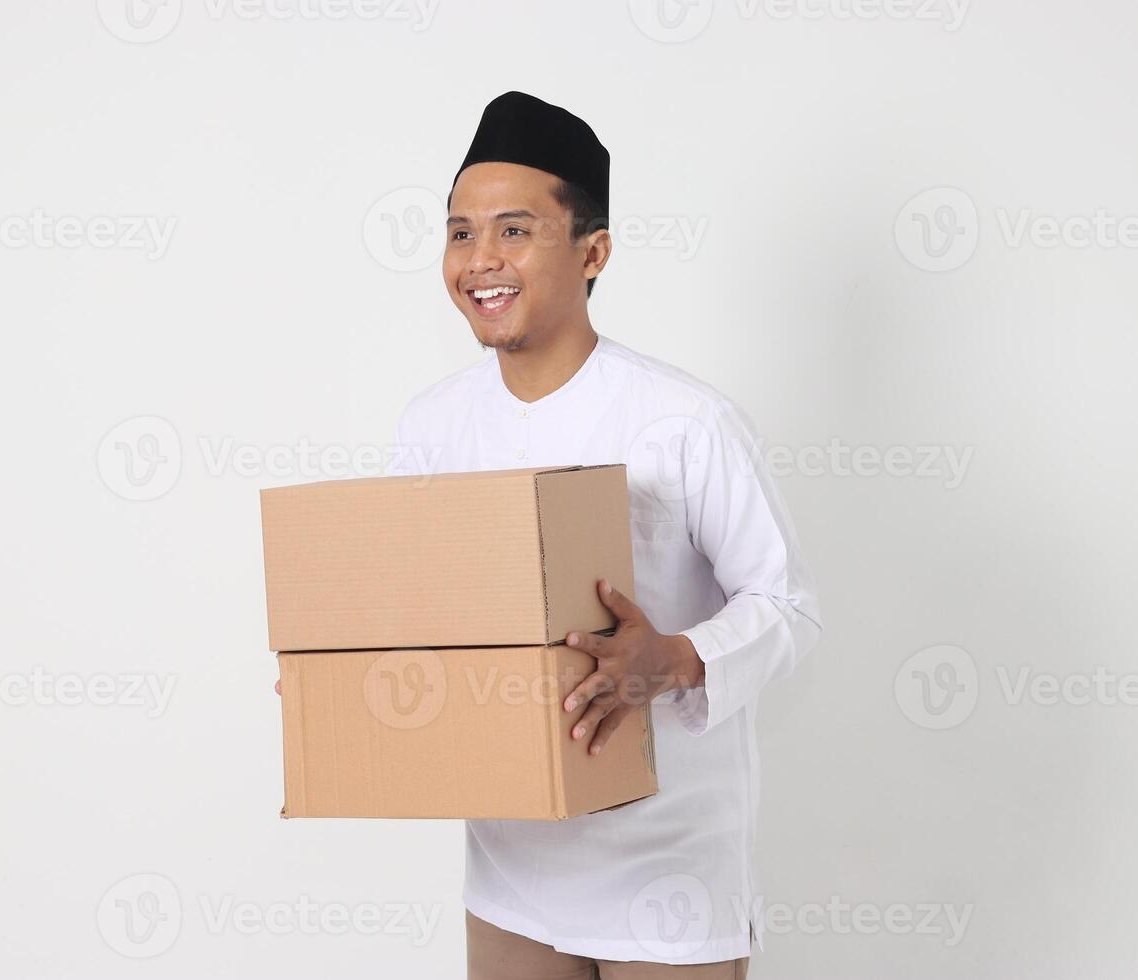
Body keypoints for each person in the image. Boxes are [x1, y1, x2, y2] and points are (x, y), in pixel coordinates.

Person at [278, 90, 822, 978]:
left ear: (593, 250)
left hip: (666, 873)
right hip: (508, 875)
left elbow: (788, 605)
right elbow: (414, 622)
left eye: (514, 231)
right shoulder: (432, 426)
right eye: (460, 233)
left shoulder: (685, 421)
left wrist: (677, 658)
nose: (480, 260)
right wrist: (338, 677)